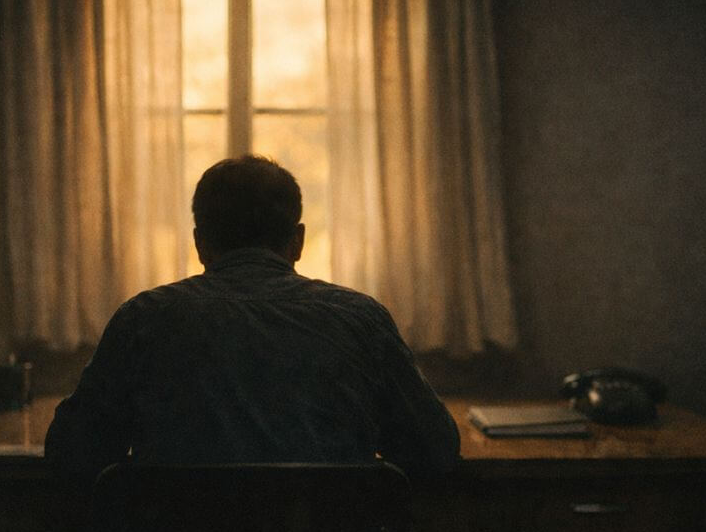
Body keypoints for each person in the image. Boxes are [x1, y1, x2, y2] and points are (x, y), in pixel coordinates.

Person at [45, 155, 459, 486]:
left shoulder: (143, 319)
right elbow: (434, 451)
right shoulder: (359, 320)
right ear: (297, 241)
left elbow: (74, 453)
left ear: (200, 243)